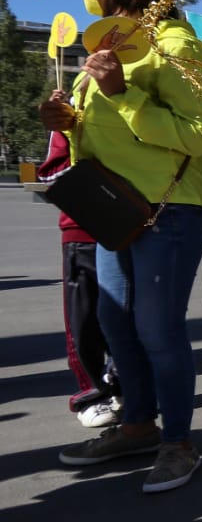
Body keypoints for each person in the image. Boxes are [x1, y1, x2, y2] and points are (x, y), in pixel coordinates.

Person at [42, 0, 202, 493]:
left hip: (171, 207)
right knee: (116, 321)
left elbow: (196, 137)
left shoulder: (175, 46)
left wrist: (121, 94)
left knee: (156, 328)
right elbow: (106, 132)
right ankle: (140, 424)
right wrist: (67, 121)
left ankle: (179, 443)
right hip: (120, 210)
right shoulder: (106, 42)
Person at [39, 129, 121, 428]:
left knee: (128, 317)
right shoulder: (69, 114)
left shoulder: (137, 100)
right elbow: (49, 175)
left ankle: (124, 384)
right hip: (83, 232)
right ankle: (92, 395)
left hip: (131, 228)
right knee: (84, 319)